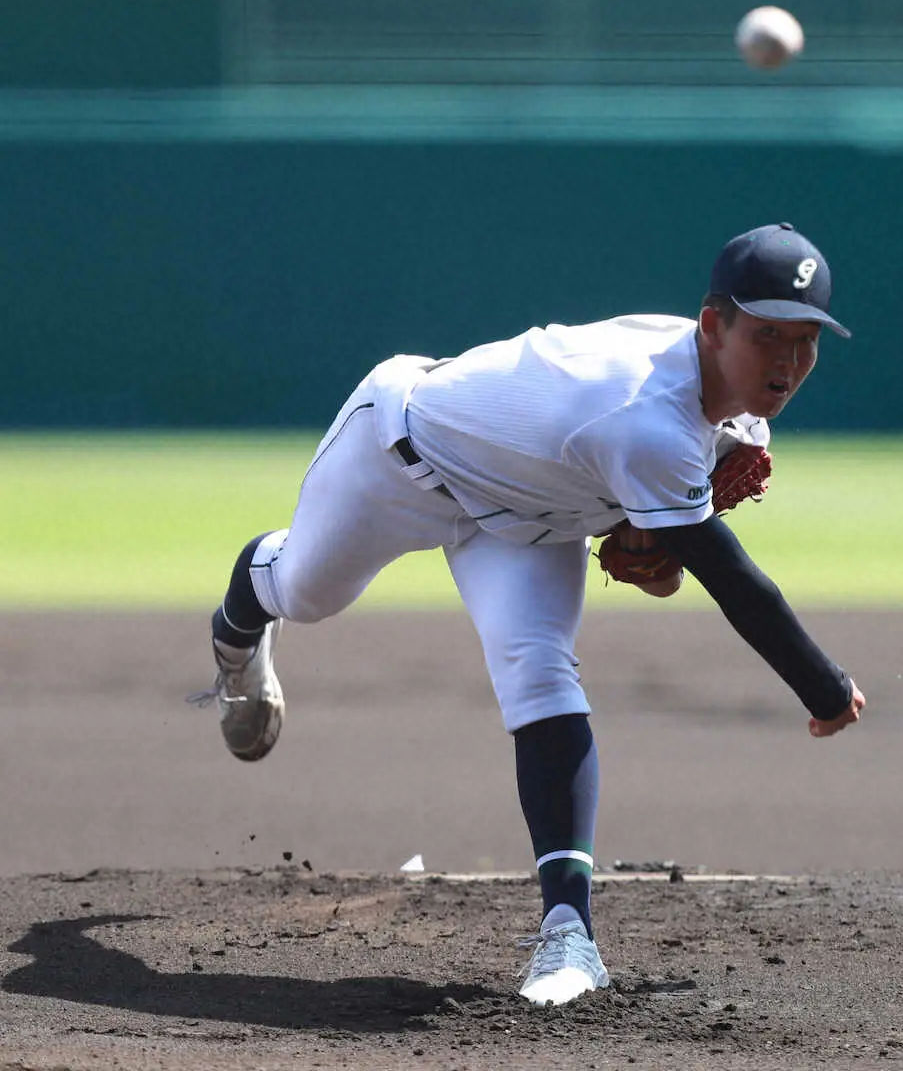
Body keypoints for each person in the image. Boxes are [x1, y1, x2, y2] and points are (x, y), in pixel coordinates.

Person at [192, 221, 867, 1007]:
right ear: (712, 324)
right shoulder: (645, 414)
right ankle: (236, 634)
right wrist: (825, 687)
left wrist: (648, 533)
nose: (788, 361)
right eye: (768, 336)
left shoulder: (725, 409)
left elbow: (658, 566)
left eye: (806, 340)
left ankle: (568, 936)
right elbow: (734, 584)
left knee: (541, 673)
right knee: (305, 592)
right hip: (398, 460)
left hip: (529, 522)